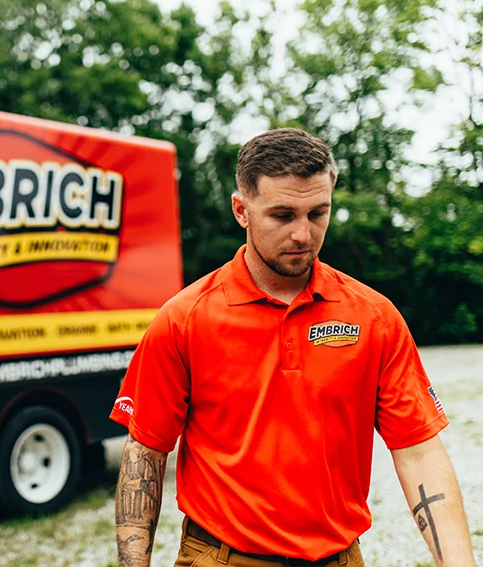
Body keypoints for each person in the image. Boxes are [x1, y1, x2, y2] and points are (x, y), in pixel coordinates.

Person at [111, 128, 475, 567]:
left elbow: (418, 451)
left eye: (317, 213)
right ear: (241, 211)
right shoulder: (184, 318)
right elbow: (146, 452)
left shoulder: (373, 316)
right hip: (222, 557)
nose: (303, 234)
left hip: (338, 557)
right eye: (282, 215)